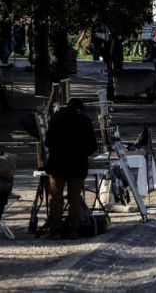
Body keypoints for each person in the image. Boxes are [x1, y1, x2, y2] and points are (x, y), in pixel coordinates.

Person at [44, 98, 97, 239]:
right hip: (77, 166)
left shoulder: (56, 119)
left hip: (57, 165)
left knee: (56, 197)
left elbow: (48, 142)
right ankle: (73, 229)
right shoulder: (85, 120)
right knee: (74, 198)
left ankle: (55, 229)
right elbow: (92, 147)